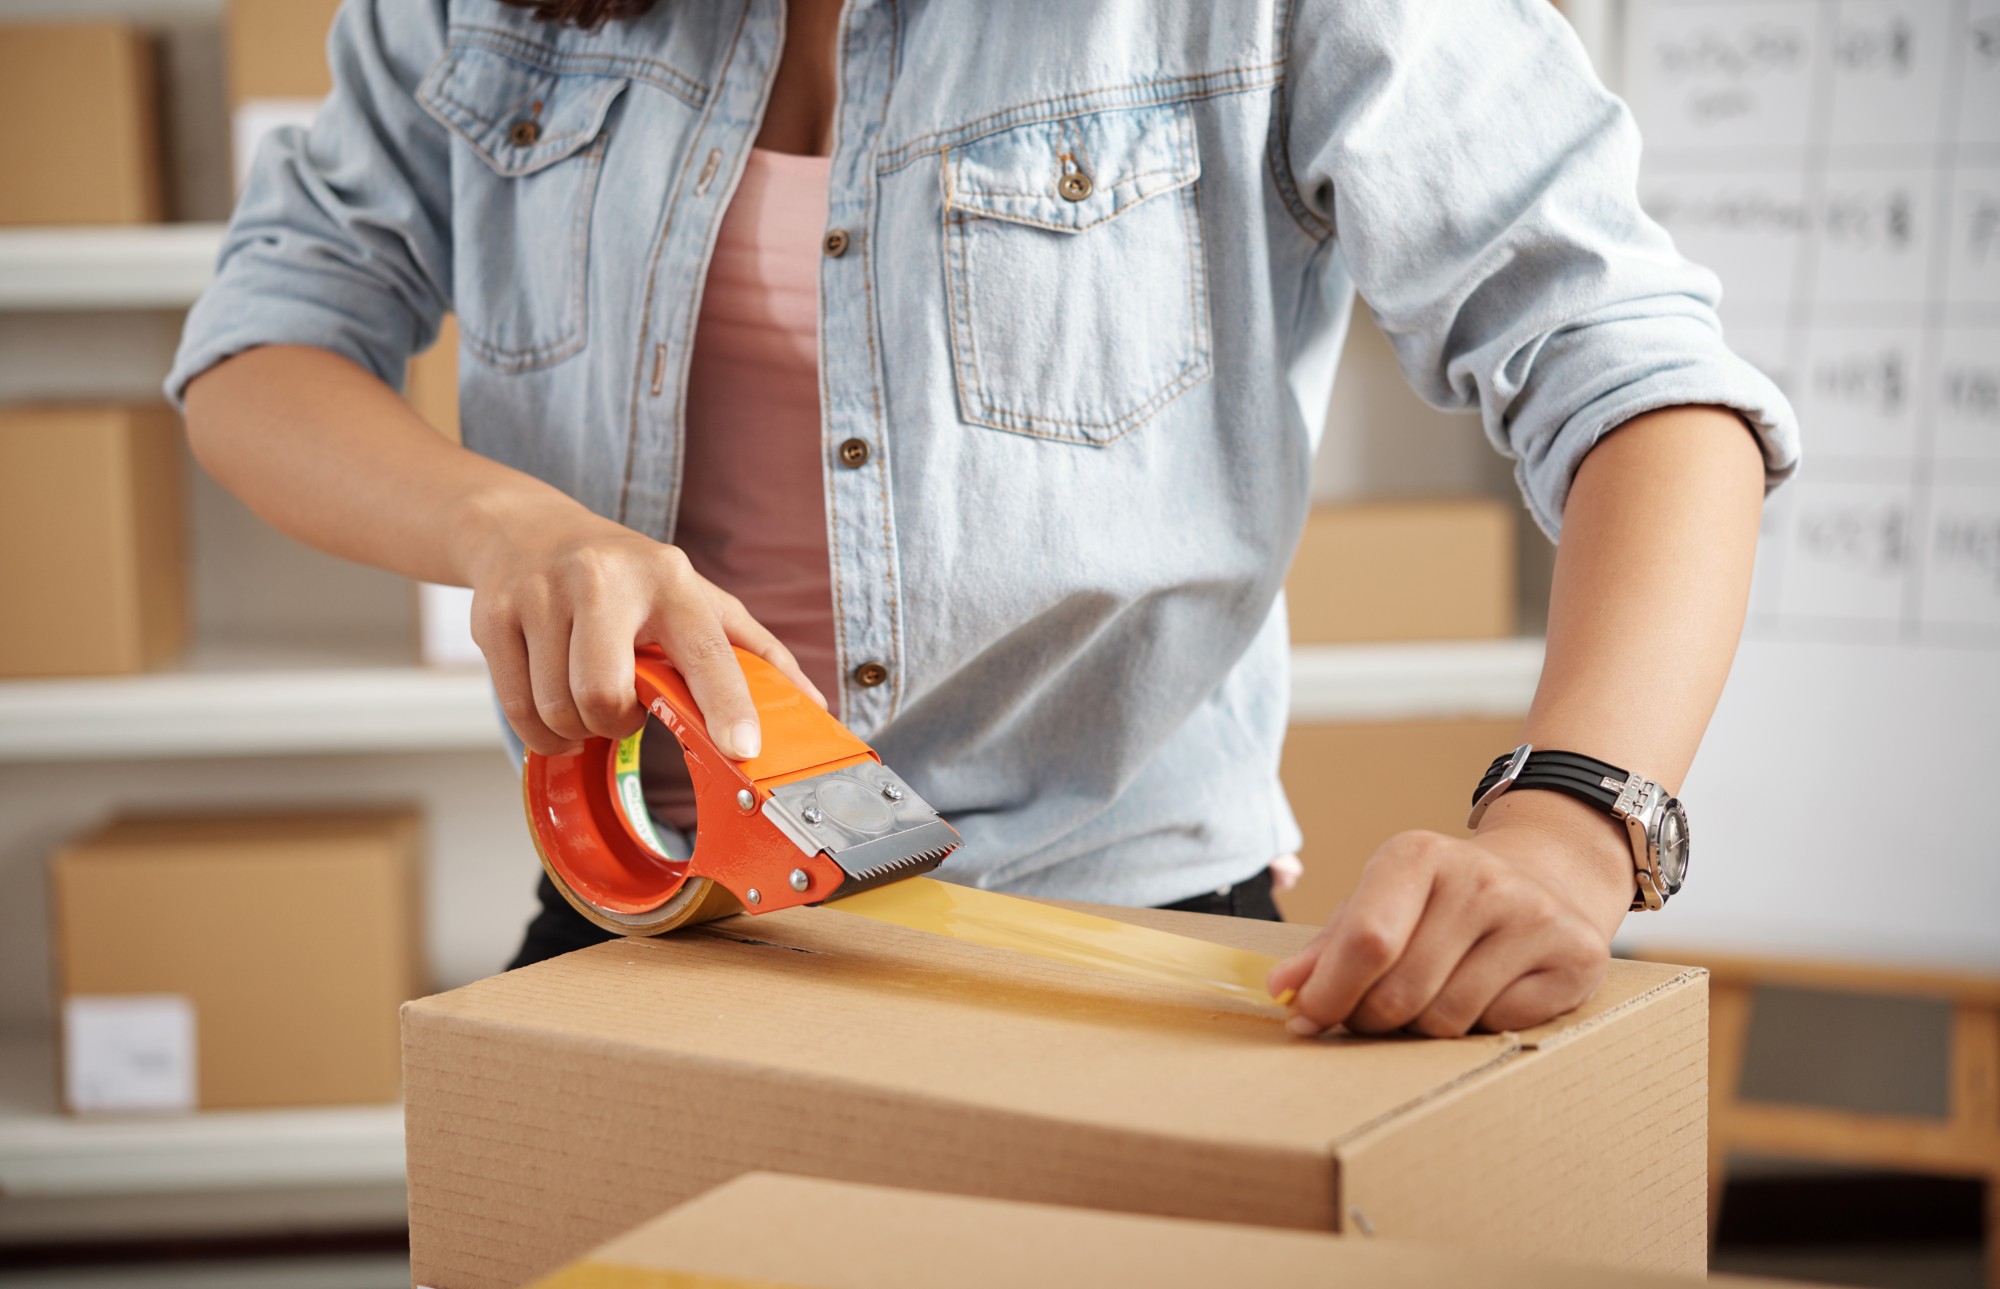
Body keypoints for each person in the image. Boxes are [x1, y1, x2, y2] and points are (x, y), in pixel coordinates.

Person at [172, 0, 1797, 1038]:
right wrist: (503, 526)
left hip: (1114, 947)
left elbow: (1645, 383)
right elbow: (261, 337)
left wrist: (1576, 824)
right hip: (654, 911)